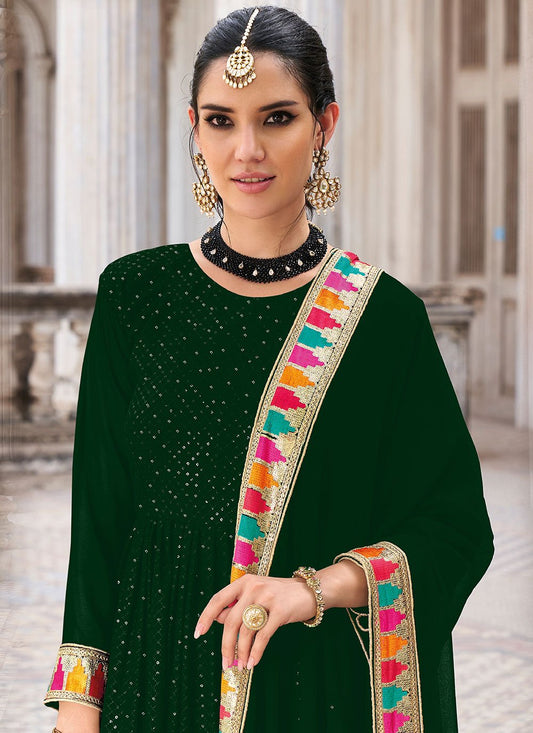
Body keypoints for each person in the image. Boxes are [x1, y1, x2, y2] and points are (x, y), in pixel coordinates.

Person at [44, 6, 493, 732]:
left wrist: (314, 589)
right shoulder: (135, 296)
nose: (246, 149)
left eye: (276, 118)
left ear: (323, 125)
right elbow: (98, 529)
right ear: (194, 128)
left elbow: (454, 528)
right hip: (153, 681)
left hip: (315, 688)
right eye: (220, 121)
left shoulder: (383, 321)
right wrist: (76, 710)